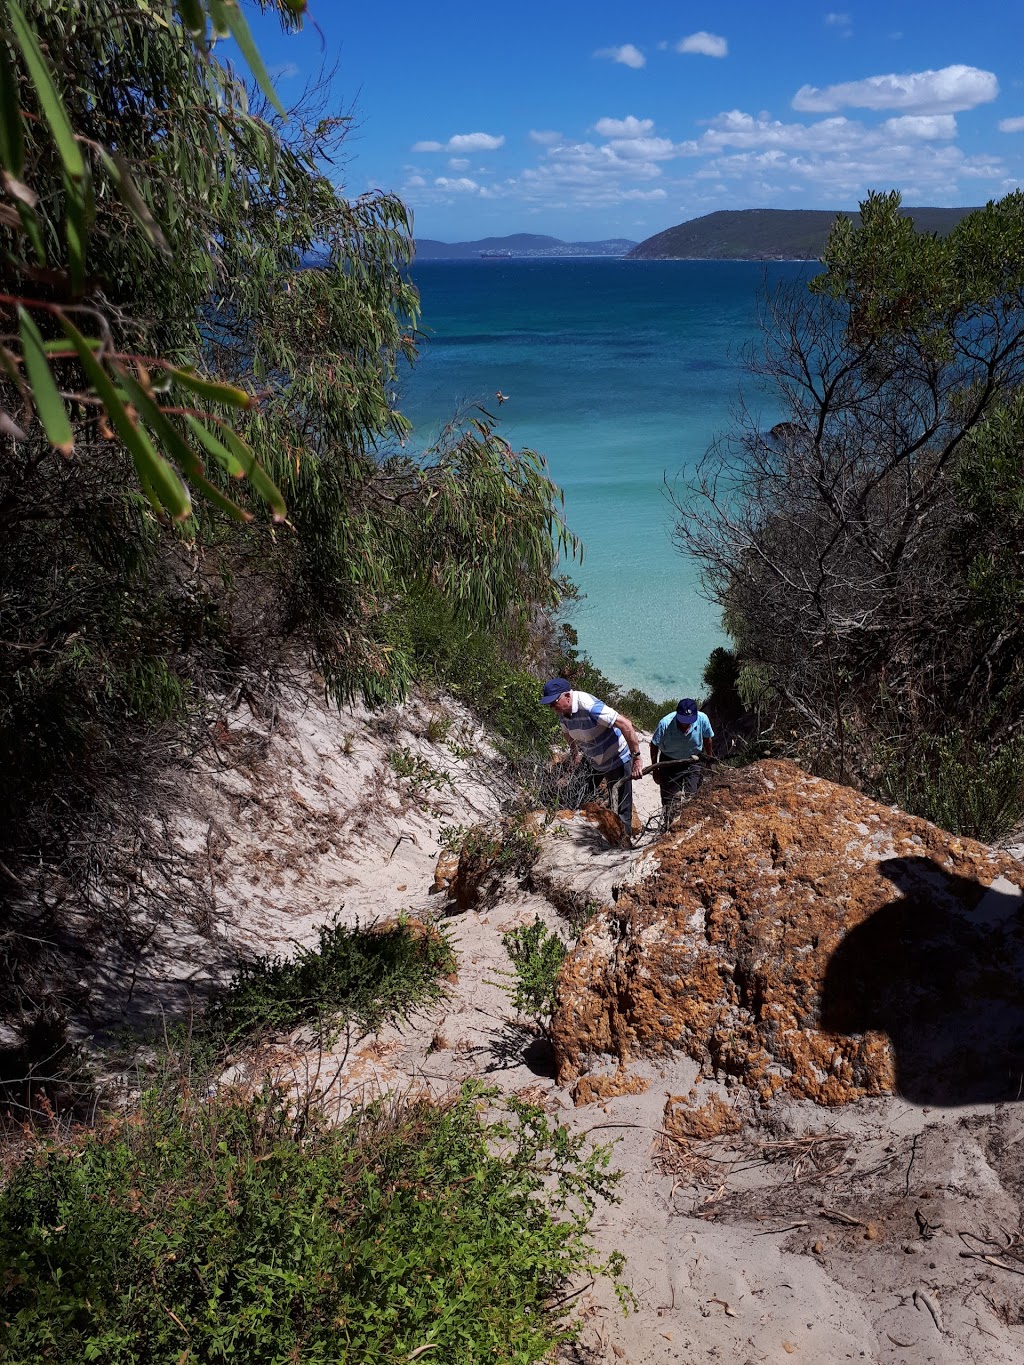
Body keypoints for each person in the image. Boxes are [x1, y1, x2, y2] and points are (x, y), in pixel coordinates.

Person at [540, 678, 644, 844]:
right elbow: (566, 733)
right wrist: (574, 753)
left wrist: (636, 758)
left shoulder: (588, 706)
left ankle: (623, 845)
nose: (552, 707)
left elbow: (626, 724)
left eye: (553, 702)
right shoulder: (564, 712)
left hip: (616, 757)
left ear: (567, 696)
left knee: (622, 806)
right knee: (580, 793)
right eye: (549, 704)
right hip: (592, 759)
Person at [649, 698, 714, 810]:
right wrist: (655, 770)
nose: (685, 724)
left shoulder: (702, 719)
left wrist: (709, 759)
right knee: (670, 802)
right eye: (683, 720)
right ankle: (668, 823)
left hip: (693, 760)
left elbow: (707, 739)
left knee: (693, 797)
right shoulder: (665, 723)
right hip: (669, 762)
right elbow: (654, 745)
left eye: (689, 720)